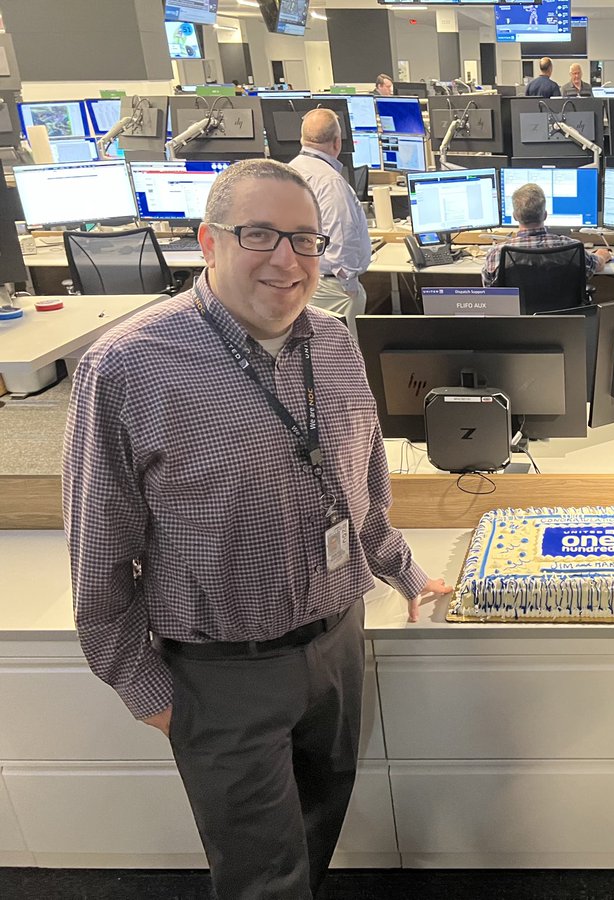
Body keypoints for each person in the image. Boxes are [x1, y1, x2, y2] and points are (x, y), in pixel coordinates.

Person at [63, 158, 450, 900]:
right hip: (220, 671)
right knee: (261, 878)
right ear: (208, 243)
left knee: (317, 831)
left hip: (337, 643)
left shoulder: (334, 342)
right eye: (260, 235)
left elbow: (359, 491)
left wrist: (404, 570)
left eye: (304, 240)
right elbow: (99, 555)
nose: (287, 259)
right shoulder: (127, 366)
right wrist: (145, 689)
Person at [288, 108, 372, 342]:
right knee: (342, 357)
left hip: (304, 281)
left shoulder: (287, 173)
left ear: (302, 140)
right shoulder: (330, 182)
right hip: (332, 289)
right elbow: (341, 238)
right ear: (337, 143)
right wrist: (349, 285)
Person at [483, 182, 611, 287]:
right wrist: (602, 255)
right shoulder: (572, 247)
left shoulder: (496, 253)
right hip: (563, 315)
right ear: (545, 215)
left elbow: (489, 292)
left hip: (517, 317)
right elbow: (596, 265)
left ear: (515, 216)